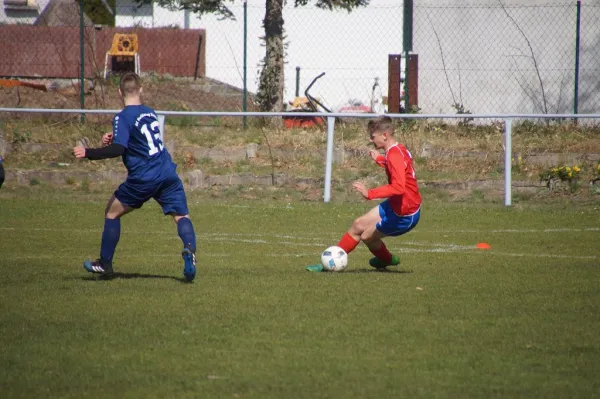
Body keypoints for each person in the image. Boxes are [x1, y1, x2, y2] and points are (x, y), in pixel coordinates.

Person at [73, 72, 197, 281]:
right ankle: (190, 252)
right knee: (182, 217)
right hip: (166, 171)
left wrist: (89, 153)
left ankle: (104, 264)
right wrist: (115, 138)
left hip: (144, 177)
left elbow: (119, 149)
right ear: (141, 89)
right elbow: (141, 140)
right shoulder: (149, 113)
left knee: (111, 213)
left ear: (119, 92)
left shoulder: (122, 116)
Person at [306, 115, 421, 272]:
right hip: (397, 204)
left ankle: (387, 259)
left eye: (373, 137)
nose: (371, 140)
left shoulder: (394, 154)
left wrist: (370, 193)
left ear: (385, 135)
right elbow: (401, 167)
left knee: (366, 236)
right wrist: (381, 159)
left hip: (405, 214)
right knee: (358, 224)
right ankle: (327, 264)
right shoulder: (398, 149)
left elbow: (399, 187)